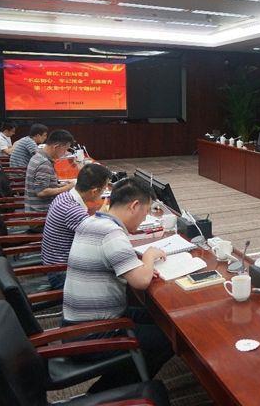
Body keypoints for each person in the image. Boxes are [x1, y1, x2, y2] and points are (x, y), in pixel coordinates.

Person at [62, 177, 173, 393]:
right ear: (134, 206)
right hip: (92, 334)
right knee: (167, 339)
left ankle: (124, 377)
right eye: (145, 212)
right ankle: (110, 393)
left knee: (158, 317)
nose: (144, 219)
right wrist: (149, 256)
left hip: (78, 324)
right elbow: (141, 281)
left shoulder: (92, 221)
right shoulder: (111, 233)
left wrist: (140, 266)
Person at [41, 163, 112, 290]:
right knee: (116, 274)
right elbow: (100, 238)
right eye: (104, 189)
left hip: (54, 263)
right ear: (94, 191)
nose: (104, 192)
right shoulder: (72, 210)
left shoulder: (65, 196)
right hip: (61, 273)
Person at [25, 129, 75, 213]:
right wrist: (67, 187)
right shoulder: (44, 163)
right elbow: (41, 192)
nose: (66, 153)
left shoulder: (39, 155)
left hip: (36, 208)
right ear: (56, 147)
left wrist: (60, 185)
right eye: (65, 149)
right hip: (40, 213)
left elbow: (43, 185)